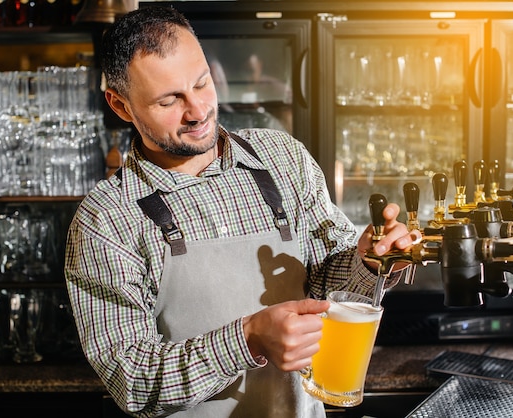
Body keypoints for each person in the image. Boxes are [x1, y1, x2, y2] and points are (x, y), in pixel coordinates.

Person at [64, 6, 421, 418]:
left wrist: (368, 261)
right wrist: (248, 337)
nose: (197, 111)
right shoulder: (106, 220)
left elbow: (326, 286)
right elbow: (132, 379)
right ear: (122, 106)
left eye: (202, 84)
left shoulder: (282, 157)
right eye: (169, 100)